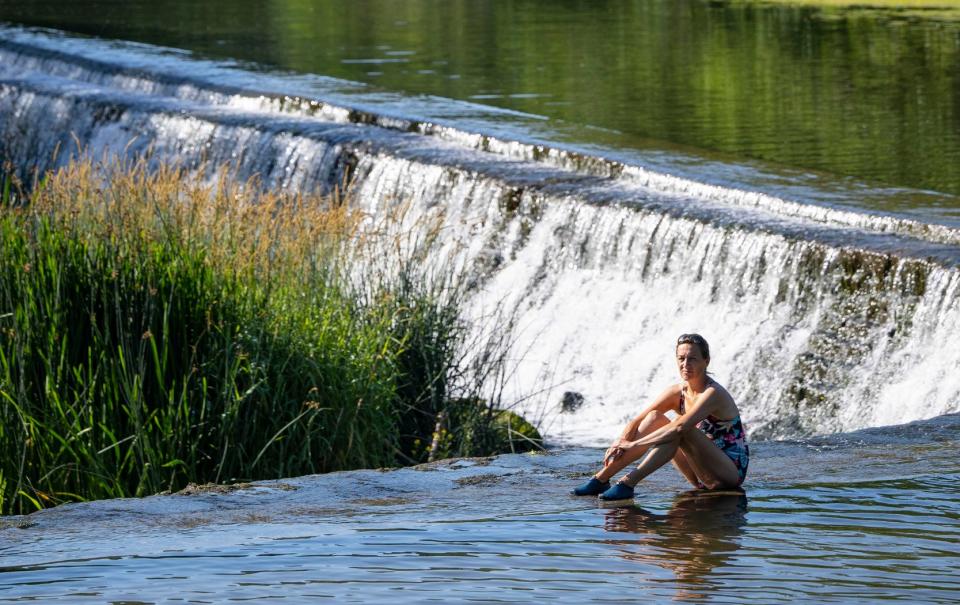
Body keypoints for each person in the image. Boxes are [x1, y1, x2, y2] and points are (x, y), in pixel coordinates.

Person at [572, 333, 749, 500]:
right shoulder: (678, 392)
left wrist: (634, 444)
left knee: (680, 429)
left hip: (727, 474)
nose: (685, 364)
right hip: (698, 473)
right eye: (681, 358)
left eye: (692, 358)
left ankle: (628, 483)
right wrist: (621, 441)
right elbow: (638, 420)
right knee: (654, 417)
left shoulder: (713, 393)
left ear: (706, 361)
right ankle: (600, 480)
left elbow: (679, 427)